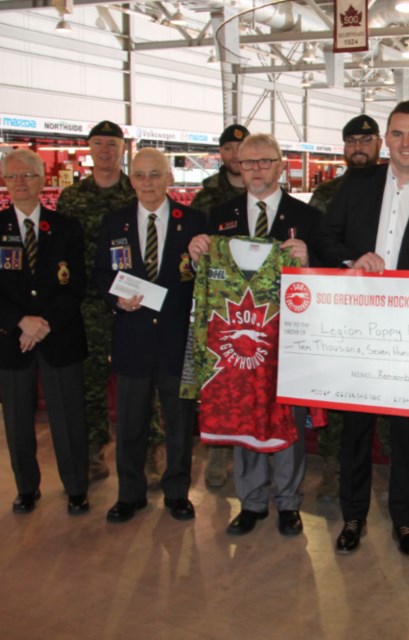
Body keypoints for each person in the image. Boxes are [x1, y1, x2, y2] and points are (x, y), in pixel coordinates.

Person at [313, 100, 409, 557]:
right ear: (386, 140)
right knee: (355, 430)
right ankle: (353, 515)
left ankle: (404, 521)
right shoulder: (356, 187)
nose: (405, 143)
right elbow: (325, 238)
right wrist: (352, 260)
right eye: (397, 134)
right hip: (358, 329)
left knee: (404, 434)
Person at [186, 133, 320, 537]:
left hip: (289, 340)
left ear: (281, 166)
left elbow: (331, 274)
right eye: (248, 163)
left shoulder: (309, 216)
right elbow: (204, 278)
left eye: (265, 162)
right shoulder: (218, 215)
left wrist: (309, 261)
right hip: (238, 341)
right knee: (245, 414)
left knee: (287, 419)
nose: (256, 170)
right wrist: (194, 255)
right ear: (236, 167)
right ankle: (252, 501)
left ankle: (289, 501)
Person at [0, 148, 89, 514]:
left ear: (42, 180)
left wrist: (44, 323)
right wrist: (21, 322)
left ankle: (76, 489)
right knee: (17, 422)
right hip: (12, 339)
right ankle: (26, 488)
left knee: (68, 419)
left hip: (60, 336)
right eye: (12, 176)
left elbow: (76, 287)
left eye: (27, 175)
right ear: (3, 182)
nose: (20, 182)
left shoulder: (67, 228)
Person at [94, 147, 207, 523]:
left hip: (177, 341)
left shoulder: (193, 222)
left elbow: (206, 279)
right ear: (131, 181)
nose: (147, 182)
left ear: (169, 179)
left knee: (179, 425)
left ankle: (177, 493)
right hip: (132, 339)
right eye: (140, 175)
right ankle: (130, 494)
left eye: (154, 174)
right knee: (130, 425)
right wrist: (116, 300)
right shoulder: (114, 222)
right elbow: (100, 274)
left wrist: (200, 261)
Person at [57, 120, 140, 483]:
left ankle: (148, 445)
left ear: (123, 150)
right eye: (99, 143)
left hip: (131, 300)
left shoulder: (136, 192)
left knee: (139, 378)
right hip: (87, 303)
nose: (106, 150)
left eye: (112, 144)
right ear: (89, 149)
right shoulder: (71, 197)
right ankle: (93, 448)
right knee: (89, 380)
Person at [307, 114, 383, 502]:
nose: (359, 146)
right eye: (352, 140)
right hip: (338, 307)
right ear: (343, 147)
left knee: (388, 393)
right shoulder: (327, 194)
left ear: (379, 144)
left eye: (366, 140)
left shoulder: (394, 186)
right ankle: (334, 466)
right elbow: (318, 245)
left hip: (388, 309)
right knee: (337, 393)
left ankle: (385, 471)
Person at [188, 123, 250, 489]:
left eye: (239, 149)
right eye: (228, 149)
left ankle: (254, 451)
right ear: (222, 154)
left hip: (258, 297)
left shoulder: (267, 186)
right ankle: (218, 454)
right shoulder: (208, 195)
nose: (235, 156)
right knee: (220, 378)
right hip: (219, 297)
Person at [190, 123, 249, 218]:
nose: (235, 154)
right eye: (228, 148)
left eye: (241, 147)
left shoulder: (265, 191)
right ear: (220, 152)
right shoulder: (205, 198)